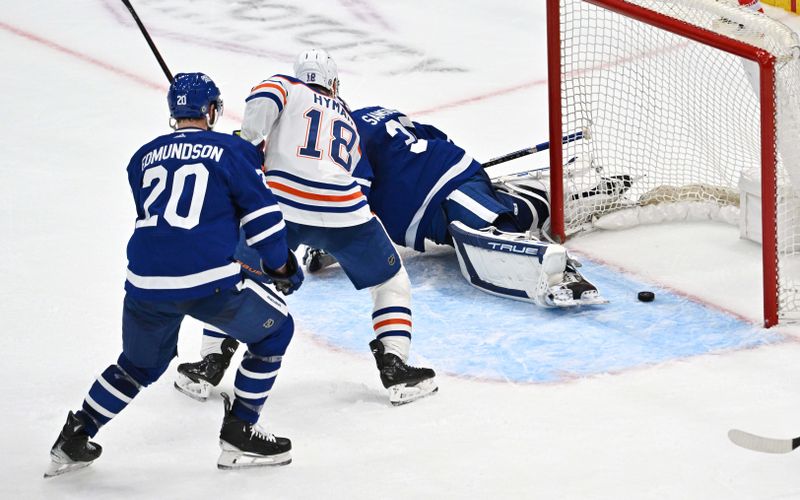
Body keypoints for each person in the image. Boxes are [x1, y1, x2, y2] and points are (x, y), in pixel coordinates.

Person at [45, 73, 304, 478]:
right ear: (211, 110)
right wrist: (282, 267)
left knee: (137, 365)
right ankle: (241, 432)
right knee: (276, 331)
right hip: (208, 281)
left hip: (146, 283)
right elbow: (265, 219)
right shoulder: (232, 150)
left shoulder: (142, 156)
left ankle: (75, 434)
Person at [175, 49, 437, 407]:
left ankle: (210, 362)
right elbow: (360, 180)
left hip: (282, 207)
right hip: (345, 210)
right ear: (332, 83)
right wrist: (336, 233)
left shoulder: (288, 85)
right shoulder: (346, 117)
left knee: (236, 279)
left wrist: (247, 143)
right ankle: (395, 366)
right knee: (390, 282)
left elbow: (264, 96)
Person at [305, 105, 615, 308]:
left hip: (443, 186)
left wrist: (331, 237)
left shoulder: (343, 140)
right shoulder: (375, 112)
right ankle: (590, 193)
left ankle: (567, 274)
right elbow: (436, 136)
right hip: (445, 180)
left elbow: (354, 198)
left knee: (490, 229)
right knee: (508, 214)